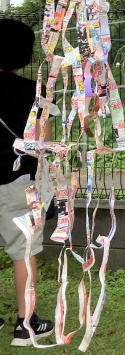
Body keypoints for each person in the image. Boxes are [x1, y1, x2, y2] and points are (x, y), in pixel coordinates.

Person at [0, 18, 54, 346]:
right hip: (19, 181)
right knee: (23, 250)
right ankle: (26, 324)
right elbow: (43, 142)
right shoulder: (33, 92)